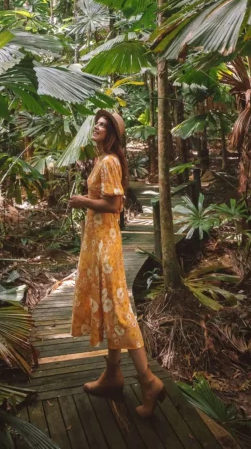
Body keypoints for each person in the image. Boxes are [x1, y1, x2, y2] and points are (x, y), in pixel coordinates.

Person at [69, 109, 166, 418]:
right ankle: (112, 374)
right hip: (97, 241)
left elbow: (115, 205)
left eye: (104, 125)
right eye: (96, 122)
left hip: (104, 244)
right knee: (111, 308)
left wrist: (83, 201)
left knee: (120, 312)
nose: (97, 127)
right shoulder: (101, 160)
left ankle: (148, 381)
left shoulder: (109, 161)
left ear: (112, 134)